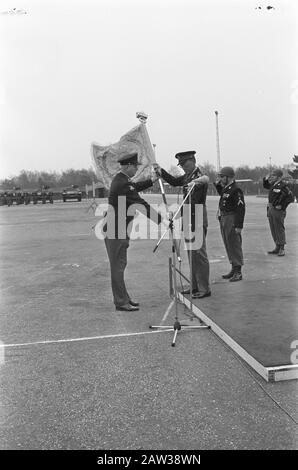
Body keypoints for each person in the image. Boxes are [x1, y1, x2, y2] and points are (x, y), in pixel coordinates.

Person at [104, 151, 162, 312]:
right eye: (135, 166)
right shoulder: (122, 183)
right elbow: (139, 202)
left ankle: (124, 298)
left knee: (120, 265)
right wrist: (161, 220)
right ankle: (121, 302)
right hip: (116, 230)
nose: (136, 169)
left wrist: (152, 180)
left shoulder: (122, 180)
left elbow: (135, 187)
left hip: (118, 229)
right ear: (128, 165)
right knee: (118, 267)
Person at [155, 150, 211, 299]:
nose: (183, 167)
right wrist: (162, 172)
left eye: (185, 164)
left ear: (192, 161)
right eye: (181, 165)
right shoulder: (187, 177)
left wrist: (196, 182)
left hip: (197, 215)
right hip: (188, 216)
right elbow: (174, 182)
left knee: (199, 253)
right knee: (191, 254)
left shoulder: (199, 177)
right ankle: (194, 286)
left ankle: (204, 288)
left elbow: (205, 181)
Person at [214, 166, 245, 282]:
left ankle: (238, 271)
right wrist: (217, 185)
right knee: (228, 244)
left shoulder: (236, 190)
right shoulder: (226, 188)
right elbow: (222, 196)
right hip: (224, 218)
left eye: (222, 177)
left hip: (231, 218)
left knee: (234, 245)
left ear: (229, 177)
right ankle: (233, 267)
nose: (220, 179)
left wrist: (238, 225)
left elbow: (241, 208)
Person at [263, 169, 294, 256]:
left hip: (278, 210)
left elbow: (290, 198)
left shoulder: (283, 186)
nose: (271, 177)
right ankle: (277, 246)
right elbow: (265, 185)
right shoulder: (273, 184)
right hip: (271, 208)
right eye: (271, 175)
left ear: (279, 177)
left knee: (279, 229)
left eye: (274, 175)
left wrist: (282, 206)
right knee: (273, 228)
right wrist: (265, 178)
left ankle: (282, 248)